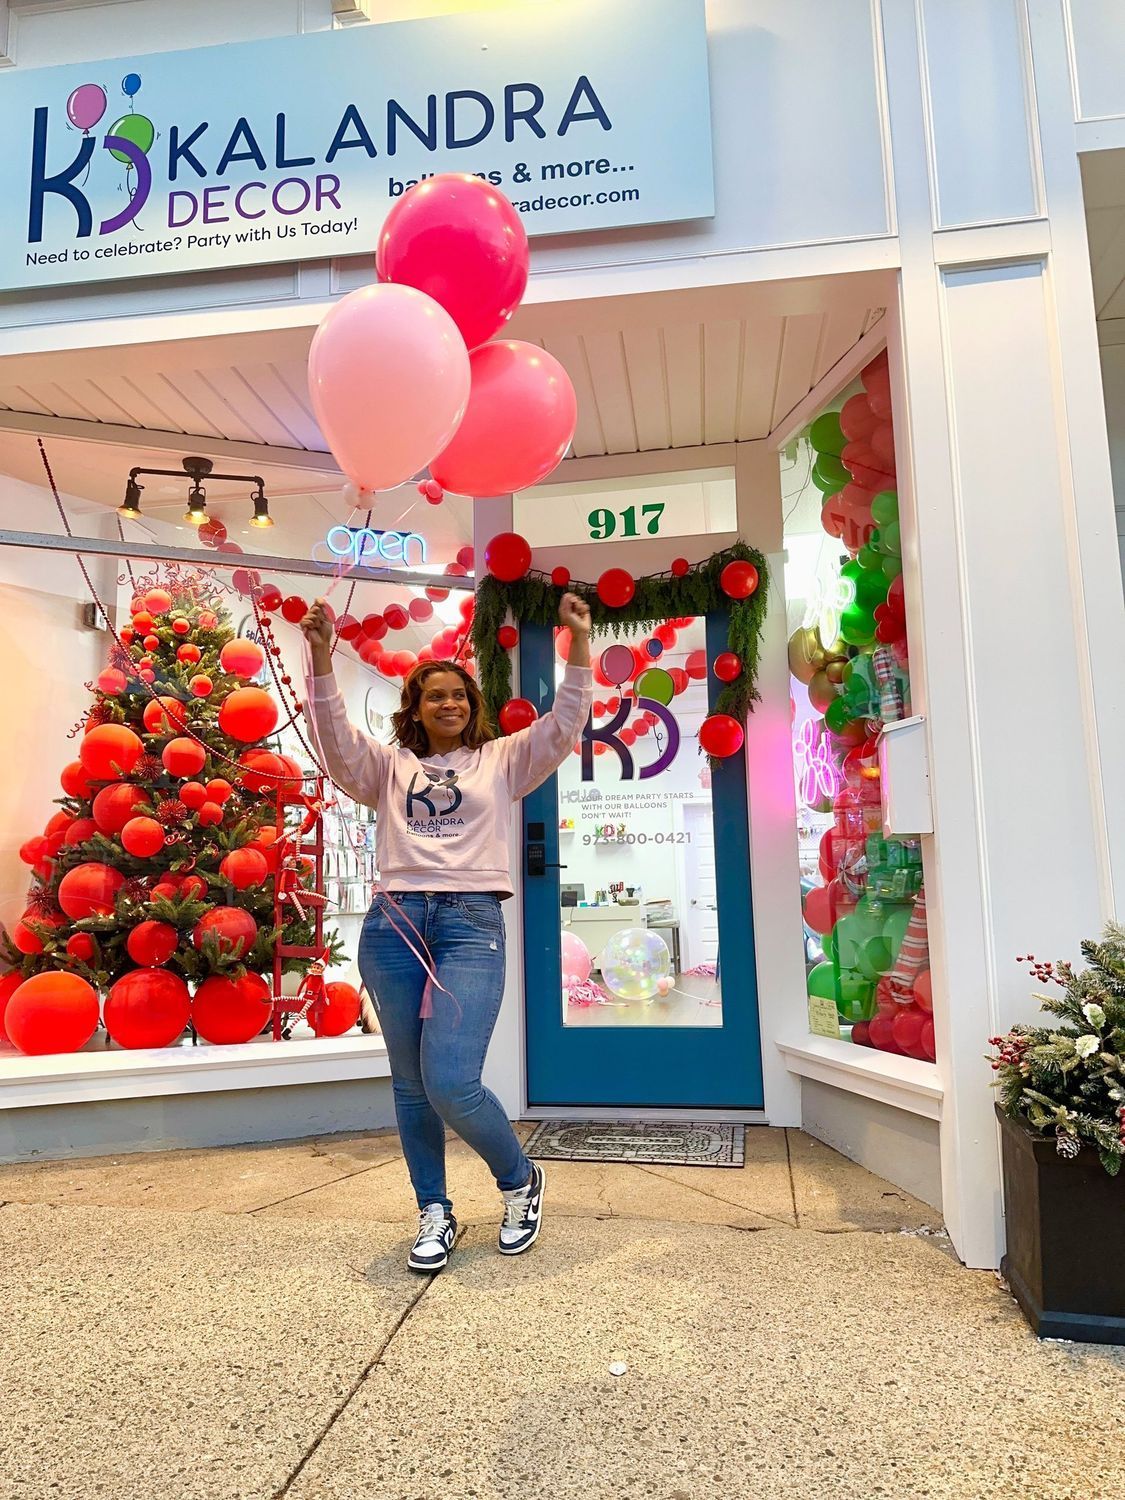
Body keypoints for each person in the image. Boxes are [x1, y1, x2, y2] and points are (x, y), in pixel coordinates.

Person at [300, 592, 592, 1273]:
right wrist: (319, 657)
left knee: (451, 1081)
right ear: (416, 707)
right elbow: (335, 740)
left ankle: (519, 1180)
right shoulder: (387, 767)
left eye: (458, 695)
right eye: (433, 696)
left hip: (470, 925)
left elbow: (567, 721)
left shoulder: (505, 760)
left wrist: (578, 641)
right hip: (394, 924)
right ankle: (433, 1210)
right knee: (408, 1083)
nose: (448, 704)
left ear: (473, 704)